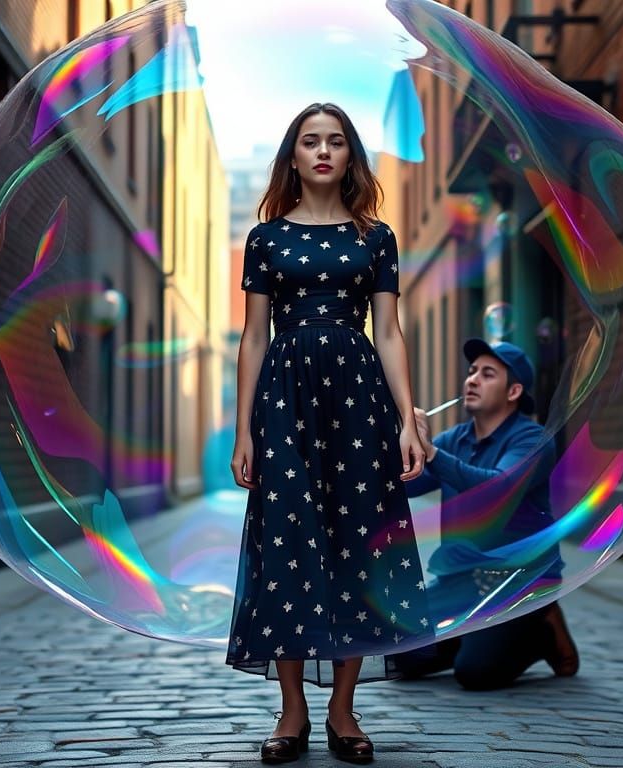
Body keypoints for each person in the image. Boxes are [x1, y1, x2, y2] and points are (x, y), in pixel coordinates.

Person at [228, 102, 432, 764]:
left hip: (357, 399)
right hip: (285, 400)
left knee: (358, 542)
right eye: (310, 141)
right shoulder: (264, 239)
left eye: (336, 141)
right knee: (285, 536)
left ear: (350, 156)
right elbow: (253, 337)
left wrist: (408, 416)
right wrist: (244, 432)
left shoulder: (377, 238)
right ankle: (292, 712)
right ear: (293, 155)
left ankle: (343, 710)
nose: (323, 151)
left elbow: (391, 332)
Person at [397, 338, 580, 690]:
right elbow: (406, 487)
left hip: (515, 582)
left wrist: (431, 452)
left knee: (476, 674)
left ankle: (543, 629)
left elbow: (495, 490)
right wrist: (401, 447)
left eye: (487, 373)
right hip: (463, 581)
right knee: (400, 658)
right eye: (471, 372)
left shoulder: (533, 441)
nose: (472, 380)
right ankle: (468, 635)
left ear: (513, 391)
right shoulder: (455, 439)